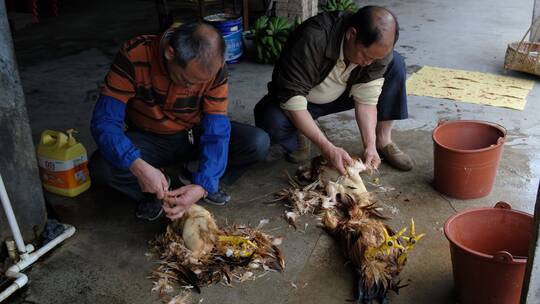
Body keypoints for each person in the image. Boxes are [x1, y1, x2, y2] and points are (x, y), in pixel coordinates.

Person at [89, 22, 270, 221]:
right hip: (149, 141)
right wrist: (137, 166)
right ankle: (156, 190)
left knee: (256, 142)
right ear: (170, 53)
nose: (193, 88)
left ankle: (200, 182)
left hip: (193, 135)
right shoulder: (134, 55)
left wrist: (204, 185)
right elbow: (104, 122)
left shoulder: (214, 67)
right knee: (101, 168)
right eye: (188, 81)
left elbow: (216, 127)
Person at [254, 6, 413, 175]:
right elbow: (292, 96)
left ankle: (383, 140)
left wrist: (370, 145)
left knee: (395, 64)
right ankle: (302, 129)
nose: (368, 63)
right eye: (366, 55)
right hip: (304, 97)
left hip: (343, 92)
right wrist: (326, 147)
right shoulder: (313, 38)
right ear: (351, 35)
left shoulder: (380, 51)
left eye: (374, 58)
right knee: (272, 122)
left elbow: (366, 100)